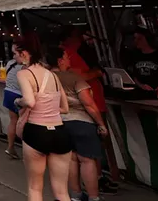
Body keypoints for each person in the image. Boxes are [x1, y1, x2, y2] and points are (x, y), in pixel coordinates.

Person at [60, 27, 120, 189]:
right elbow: (80, 78)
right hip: (84, 111)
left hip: (69, 115)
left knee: (75, 157)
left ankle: (77, 191)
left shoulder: (69, 56)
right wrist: (98, 73)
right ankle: (96, 184)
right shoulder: (69, 54)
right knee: (90, 155)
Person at [15, 34, 71, 201]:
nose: (14, 57)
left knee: (35, 187)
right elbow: (65, 108)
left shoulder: (24, 74)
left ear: (24, 53)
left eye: (15, 53)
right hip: (59, 132)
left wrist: (19, 101)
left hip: (36, 131)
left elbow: (30, 102)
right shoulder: (52, 75)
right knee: (62, 191)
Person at [47, 45, 106, 201]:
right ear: (60, 61)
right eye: (66, 57)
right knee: (87, 160)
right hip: (81, 122)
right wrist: (100, 123)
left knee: (71, 159)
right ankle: (94, 197)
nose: (69, 60)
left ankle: (76, 196)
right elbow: (88, 104)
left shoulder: (45, 79)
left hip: (58, 123)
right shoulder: (73, 78)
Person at [3, 43, 23, 160]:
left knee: (13, 121)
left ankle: (10, 147)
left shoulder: (10, 63)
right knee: (24, 123)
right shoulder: (26, 67)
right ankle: (30, 151)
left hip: (8, 92)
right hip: (19, 95)